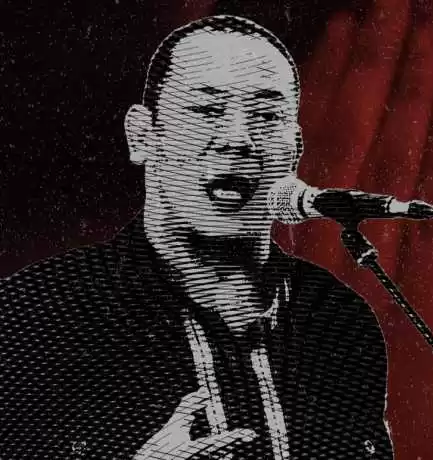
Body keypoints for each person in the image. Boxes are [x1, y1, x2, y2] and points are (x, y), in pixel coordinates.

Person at [0, 15, 393, 460]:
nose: (238, 140)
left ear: (295, 150)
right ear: (142, 136)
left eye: (266, 116)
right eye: (207, 110)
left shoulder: (340, 321)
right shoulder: (34, 316)